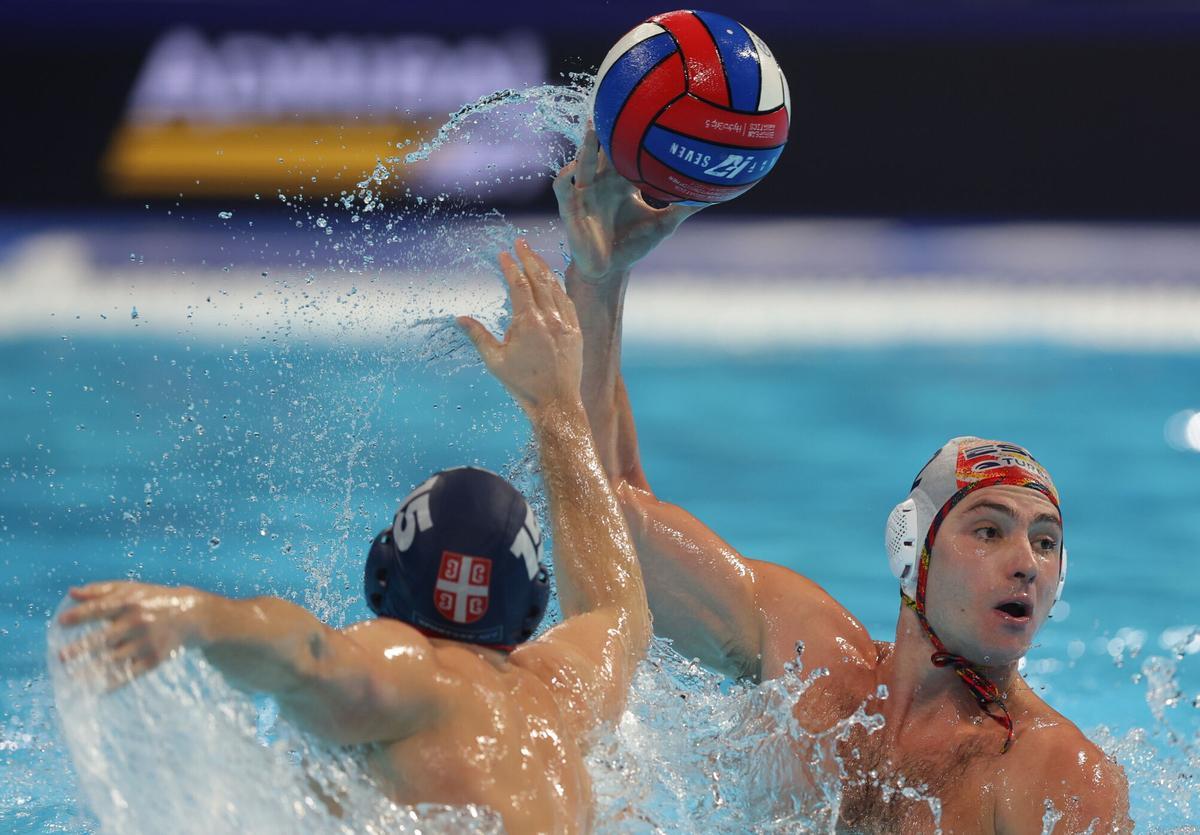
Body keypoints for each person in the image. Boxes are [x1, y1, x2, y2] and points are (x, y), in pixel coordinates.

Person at [552, 124, 1132, 832]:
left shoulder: (1059, 774)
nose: (1026, 566)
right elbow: (608, 516)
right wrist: (601, 274)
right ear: (911, 549)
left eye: (1046, 544)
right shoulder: (808, 659)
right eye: (990, 530)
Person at [57, 239, 651, 835]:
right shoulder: (561, 695)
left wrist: (197, 615)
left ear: (383, 576)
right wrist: (556, 406)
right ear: (529, 604)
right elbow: (617, 607)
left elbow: (308, 654)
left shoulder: (417, 675)